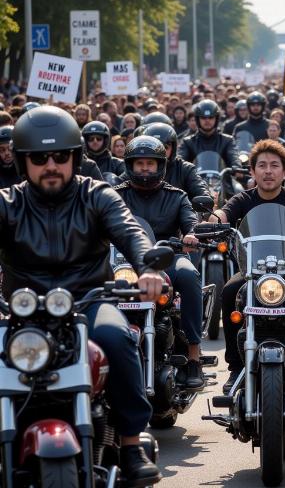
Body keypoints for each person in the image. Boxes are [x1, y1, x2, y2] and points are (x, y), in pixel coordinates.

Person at [2, 106, 165, 485]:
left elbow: (129, 231)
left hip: (89, 302)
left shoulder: (97, 195)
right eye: (40, 158)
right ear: (24, 162)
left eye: (61, 155)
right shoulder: (8, 203)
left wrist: (149, 268)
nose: (51, 165)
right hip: (21, 313)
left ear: (75, 157)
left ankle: (129, 444)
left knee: (116, 337)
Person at [206, 139, 285, 397]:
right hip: (252, 275)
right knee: (230, 293)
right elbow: (224, 213)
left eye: (275, 165)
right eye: (261, 165)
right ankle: (235, 368)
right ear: (252, 172)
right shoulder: (243, 199)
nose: (268, 171)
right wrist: (215, 219)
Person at [115, 136, 206, 390]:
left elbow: (191, 223)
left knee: (189, 275)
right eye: (139, 163)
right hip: (126, 261)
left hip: (169, 258)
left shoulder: (176, 197)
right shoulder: (115, 195)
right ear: (130, 166)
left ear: (161, 166)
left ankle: (193, 356)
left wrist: (191, 234)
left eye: (150, 164)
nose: (145, 169)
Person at [138, 122, 211, 201]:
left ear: (173, 148)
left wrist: (205, 198)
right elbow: (122, 187)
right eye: (155, 147)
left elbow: (199, 188)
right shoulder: (137, 166)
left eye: (165, 147)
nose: (160, 152)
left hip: (178, 212)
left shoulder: (185, 169)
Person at [178, 100, 241, 168]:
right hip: (195, 178)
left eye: (211, 117)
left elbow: (233, 156)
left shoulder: (227, 140)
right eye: (203, 117)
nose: (207, 120)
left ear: (216, 119)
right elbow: (180, 160)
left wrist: (236, 166)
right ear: (197, 119)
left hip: (222, 178)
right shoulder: (188, 142)